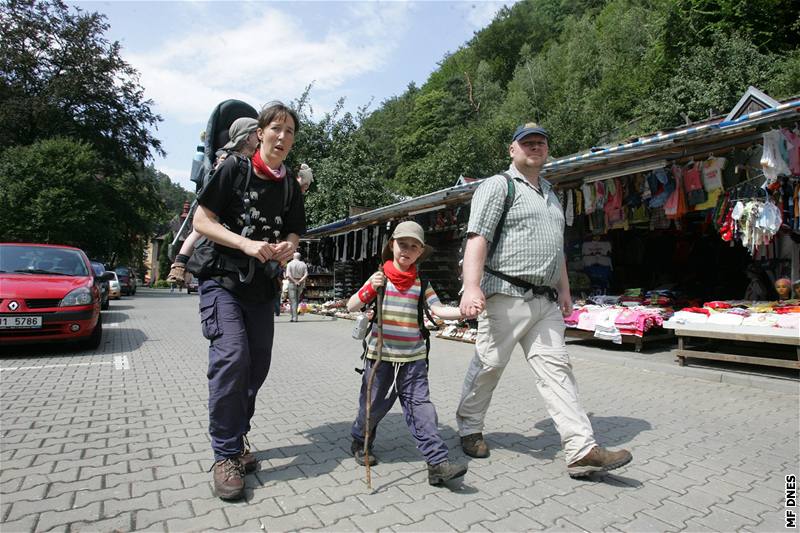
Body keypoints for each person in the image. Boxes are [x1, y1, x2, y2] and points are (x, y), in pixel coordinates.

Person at [457, 123, 632, 479]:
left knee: (558, 372)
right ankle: (468, 428)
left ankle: (581, 449)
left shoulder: (551, 194)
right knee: (489, 365)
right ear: (513, 150)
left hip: (545, 300)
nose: (535, 147)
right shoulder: (498, 186)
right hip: (505, 295)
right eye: (528, 143)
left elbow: (557, 248)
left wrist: (564, 289)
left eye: (541, 143)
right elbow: (477, 237)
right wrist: (470, 287)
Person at [192, 102, 306, 500]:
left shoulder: (289, 184)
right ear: (260, 133)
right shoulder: (234, 170)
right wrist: (246, 243)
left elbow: (294, 232)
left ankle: (237, 440)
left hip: (261, 288)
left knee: (256, 366)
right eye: (276, 128)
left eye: (290, 131)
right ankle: (225, 455)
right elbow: (201, 220)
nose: (283, 136)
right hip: (221, 280)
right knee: (232, 357)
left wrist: (285, 250)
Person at [347, 221, 469, 486]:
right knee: (373, 407)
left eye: (414, 246)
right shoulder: (379, 277)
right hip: (380, 359)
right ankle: (361, 440)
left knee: (421, 408)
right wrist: (370, 287)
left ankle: (437, 463)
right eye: (403, 244)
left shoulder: (421, 282)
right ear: (392, 245)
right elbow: (351, 305)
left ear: (420, 252)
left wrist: (465, 311)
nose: (407, 250)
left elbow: (438, 310)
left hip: (413, 359)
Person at [167, 117, 260, 285]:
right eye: (256, 133)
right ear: (247, 137)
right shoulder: (229, 160)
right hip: (217, 202)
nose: (260, 137)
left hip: (232, 204)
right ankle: (179, 264)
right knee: (200, 228)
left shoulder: (248, 162)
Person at [285, 252, 308, 321]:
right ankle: (293, 316)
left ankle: (294, 317)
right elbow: (306, 274)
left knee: (293, 300)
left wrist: (295, 281)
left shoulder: (290, 264)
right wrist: (300, 281)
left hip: (292, 283)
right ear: (299, 257)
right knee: (297, 300)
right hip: (300, 283)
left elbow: (288, 275)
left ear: (293, 257)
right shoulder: (303, 264)